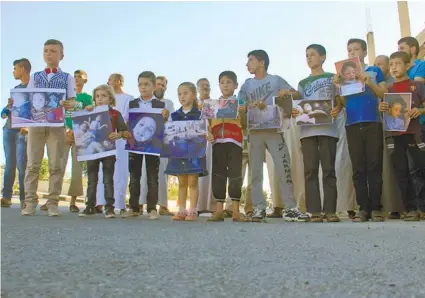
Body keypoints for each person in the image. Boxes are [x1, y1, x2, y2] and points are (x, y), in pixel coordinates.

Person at [238, 49, 309, 222]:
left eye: (251, 60)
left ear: (262, 62)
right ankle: (259, 208)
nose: (247, 64)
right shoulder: (247, 85)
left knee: (283, 167)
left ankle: (290, 208)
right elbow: (239, 105)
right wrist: (244, 108)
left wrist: (287, 93)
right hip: (254, 132)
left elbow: (297, 94)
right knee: (255, 172)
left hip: (274, 131)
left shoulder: (276, 80)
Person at [20, 39, 77, 217]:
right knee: (32, 164)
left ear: (62, 55)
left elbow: (72, 101)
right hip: (36, 125)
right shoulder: (36, 76)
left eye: (53, 51)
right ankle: (29, 202)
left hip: (56, 125)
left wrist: (69, 104)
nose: (49, 54)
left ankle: (52, 202)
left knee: (56, 164)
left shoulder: (68, 77)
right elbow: (28, 99)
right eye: (46, 51)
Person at [333, 38, 388, 222]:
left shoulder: (374, 71)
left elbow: (383, 93)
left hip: (373, 121)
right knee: (358, 168)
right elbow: (343, 104)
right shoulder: (344, 75)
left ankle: (376, 208)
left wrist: (369, 82)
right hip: (352, 123)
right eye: (350, 50)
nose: (353, 52)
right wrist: (338, 87)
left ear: (364, 52)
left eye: (356, 49)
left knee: (374, 165)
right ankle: (362, 208)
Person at [292, 44, 341, 222]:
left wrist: (339, 108)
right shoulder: (302, 83)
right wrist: (295, 111)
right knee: (310, 170)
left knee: (328, 170)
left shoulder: (333, 78)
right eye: (306, 55)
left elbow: (340, 100)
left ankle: (330, 211)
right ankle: (314, 211)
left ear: (323, 57)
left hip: (328, 129)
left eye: (312, 54)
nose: (309, 58)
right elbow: (297, 106)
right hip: (307, 131)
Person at [378, 51, 425, 221]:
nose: (394, 67)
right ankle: (410, 208)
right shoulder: (389, 89)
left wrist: (419, 110)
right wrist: (382, 108)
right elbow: (386, 109)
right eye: (391, 64)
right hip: (395, 134)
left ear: (407, 65)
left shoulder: (417, 86)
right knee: (401, 172)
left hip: (414, 133)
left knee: (421, 167)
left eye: (397, 64)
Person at [39, 70, 93, 213]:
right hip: (63, 131)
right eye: (74, 77)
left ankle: (73, 202)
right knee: (57, 166)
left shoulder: (87, 98)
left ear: (85, 81)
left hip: (79, 134)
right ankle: (52, 200)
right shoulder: (64, 94)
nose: (76, 79)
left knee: (77, 169)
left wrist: (89, 109)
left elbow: (90, 115)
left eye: (80, 77)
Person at [121, 71, 169, 219]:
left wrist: (166, 118)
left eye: (146, 84)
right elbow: (125, 121)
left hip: (153, 146)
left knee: (152, 176)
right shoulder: (132, 103)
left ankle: (152, 208)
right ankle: (134, 207)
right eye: (140, 84)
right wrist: (125, 132)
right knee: (134, 176)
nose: (143, 87)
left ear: (154, 86)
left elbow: (164, 125)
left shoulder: (160, 105)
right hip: (134, 145)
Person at [78, 85, 129, 218]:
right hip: (92, 152)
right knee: (92, 179)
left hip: (108, 151)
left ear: (110, 98)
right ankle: (90, 206)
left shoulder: (115, 114)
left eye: (103, 96)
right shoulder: (91, 112)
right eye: (97, 96)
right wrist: (86, 110)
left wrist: (118, 135)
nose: (100, 99)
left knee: (108, 179)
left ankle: (109, 208)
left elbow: (125, 132)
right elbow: (81, 124)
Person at [207, 71, 250, 222]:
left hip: (235, 142)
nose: (225, 85)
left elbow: (244, 125)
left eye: (229, 82)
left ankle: (236, 211)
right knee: (218, 174)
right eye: (222, 82)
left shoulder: (240, 103)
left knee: (235, 175)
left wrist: (243, 113)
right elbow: (208, 124)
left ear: (236, 85)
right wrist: (209, 134)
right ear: (218, 85)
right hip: (218, 142)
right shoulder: (212, 104)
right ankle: (219, 210)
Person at [165, 82, 209, 221]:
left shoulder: (200, 114)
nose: (182, 96)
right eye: (179, 94)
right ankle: (181, 210)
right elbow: (169, 132)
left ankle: (193, 210)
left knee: (193, 181)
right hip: (179, 152)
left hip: (194, 153)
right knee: (182, 182)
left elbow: (205, 131)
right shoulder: (174, 115)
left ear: (194, 95)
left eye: (185, 93)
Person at [95, 74, 133, 214]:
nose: (108, 82)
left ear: (118, 81)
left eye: (110, 80)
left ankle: (120, 204)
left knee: (120, 172)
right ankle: (99, 202)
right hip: (101, 142)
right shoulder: (98, 104)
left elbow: (129, 120)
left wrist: (119, 132)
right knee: (101, 172)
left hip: (120, 142)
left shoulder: (129, 99)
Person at [139, 75, 175, 215]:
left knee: (161, 173)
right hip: (145, 142)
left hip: (162, 142)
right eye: (158, 84)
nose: (160, 86)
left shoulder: (169, 103)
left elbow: (171, 122)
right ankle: (141, 203)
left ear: (166, 87)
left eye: (163, 85)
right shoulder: (144, 101)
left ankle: (163, 206)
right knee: (144, 173)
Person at [374, 55, 403, 219]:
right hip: (379, 128)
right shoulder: (374, 84)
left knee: (397, 167)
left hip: (396, 129)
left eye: (381, 64)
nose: (378, 67)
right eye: (375, 64)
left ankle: (400, 206)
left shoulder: (393, 82)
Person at [1, 58, 31, 209]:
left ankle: (24, 199)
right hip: (9, 128)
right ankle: (6, 197)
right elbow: (4, 113)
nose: (13, 71)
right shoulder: (16, 89)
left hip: (23, 131)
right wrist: (7, 108)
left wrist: (29, 127)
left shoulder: (34, 89)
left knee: (22, 164)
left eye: (15, 68)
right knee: (9, 164)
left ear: (23, 69)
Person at [196, 78, 216, 214]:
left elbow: (215, 121)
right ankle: (197, 206)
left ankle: (212, 206)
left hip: (211, 140)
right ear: (197, 89)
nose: (205, 88)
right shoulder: (193, 103)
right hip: (196, 142)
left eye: (207, 86)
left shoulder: (214, 103)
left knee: (212, 171)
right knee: (196, 174)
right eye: (202, 86)